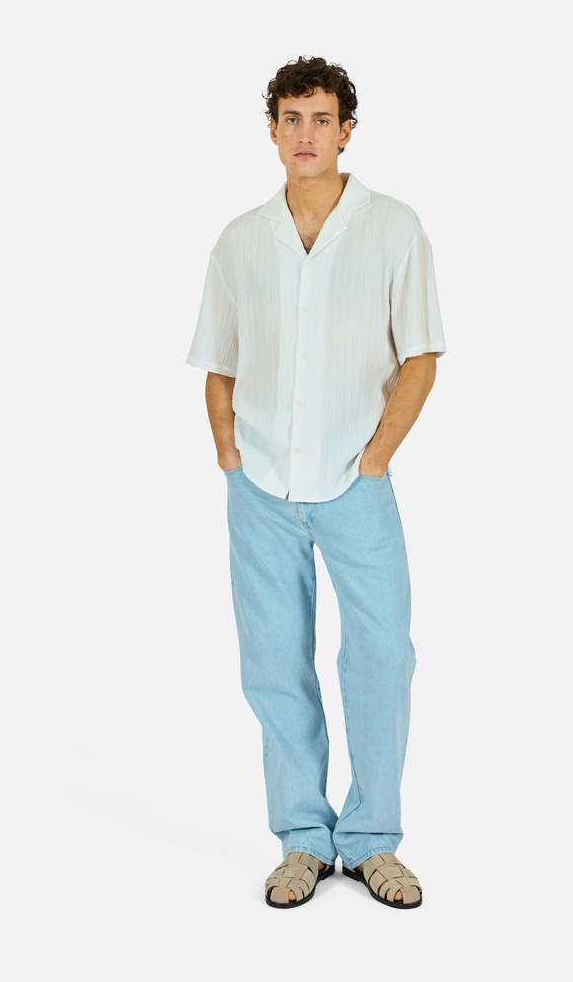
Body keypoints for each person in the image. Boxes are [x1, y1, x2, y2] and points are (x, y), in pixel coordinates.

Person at [185, 56, 448, 909]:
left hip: (355, 482)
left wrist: (375, 457)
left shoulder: (393, 228)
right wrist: (229, 455)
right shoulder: (240, 239)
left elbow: (421, 356)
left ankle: (372, 842)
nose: (306, 134)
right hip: (259, 486)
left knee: (382, 654)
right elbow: (218, 361)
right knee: (272, 662)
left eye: (321, 119)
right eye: (291, 119)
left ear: (346, 131)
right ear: (272, 130)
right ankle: (302, 838)